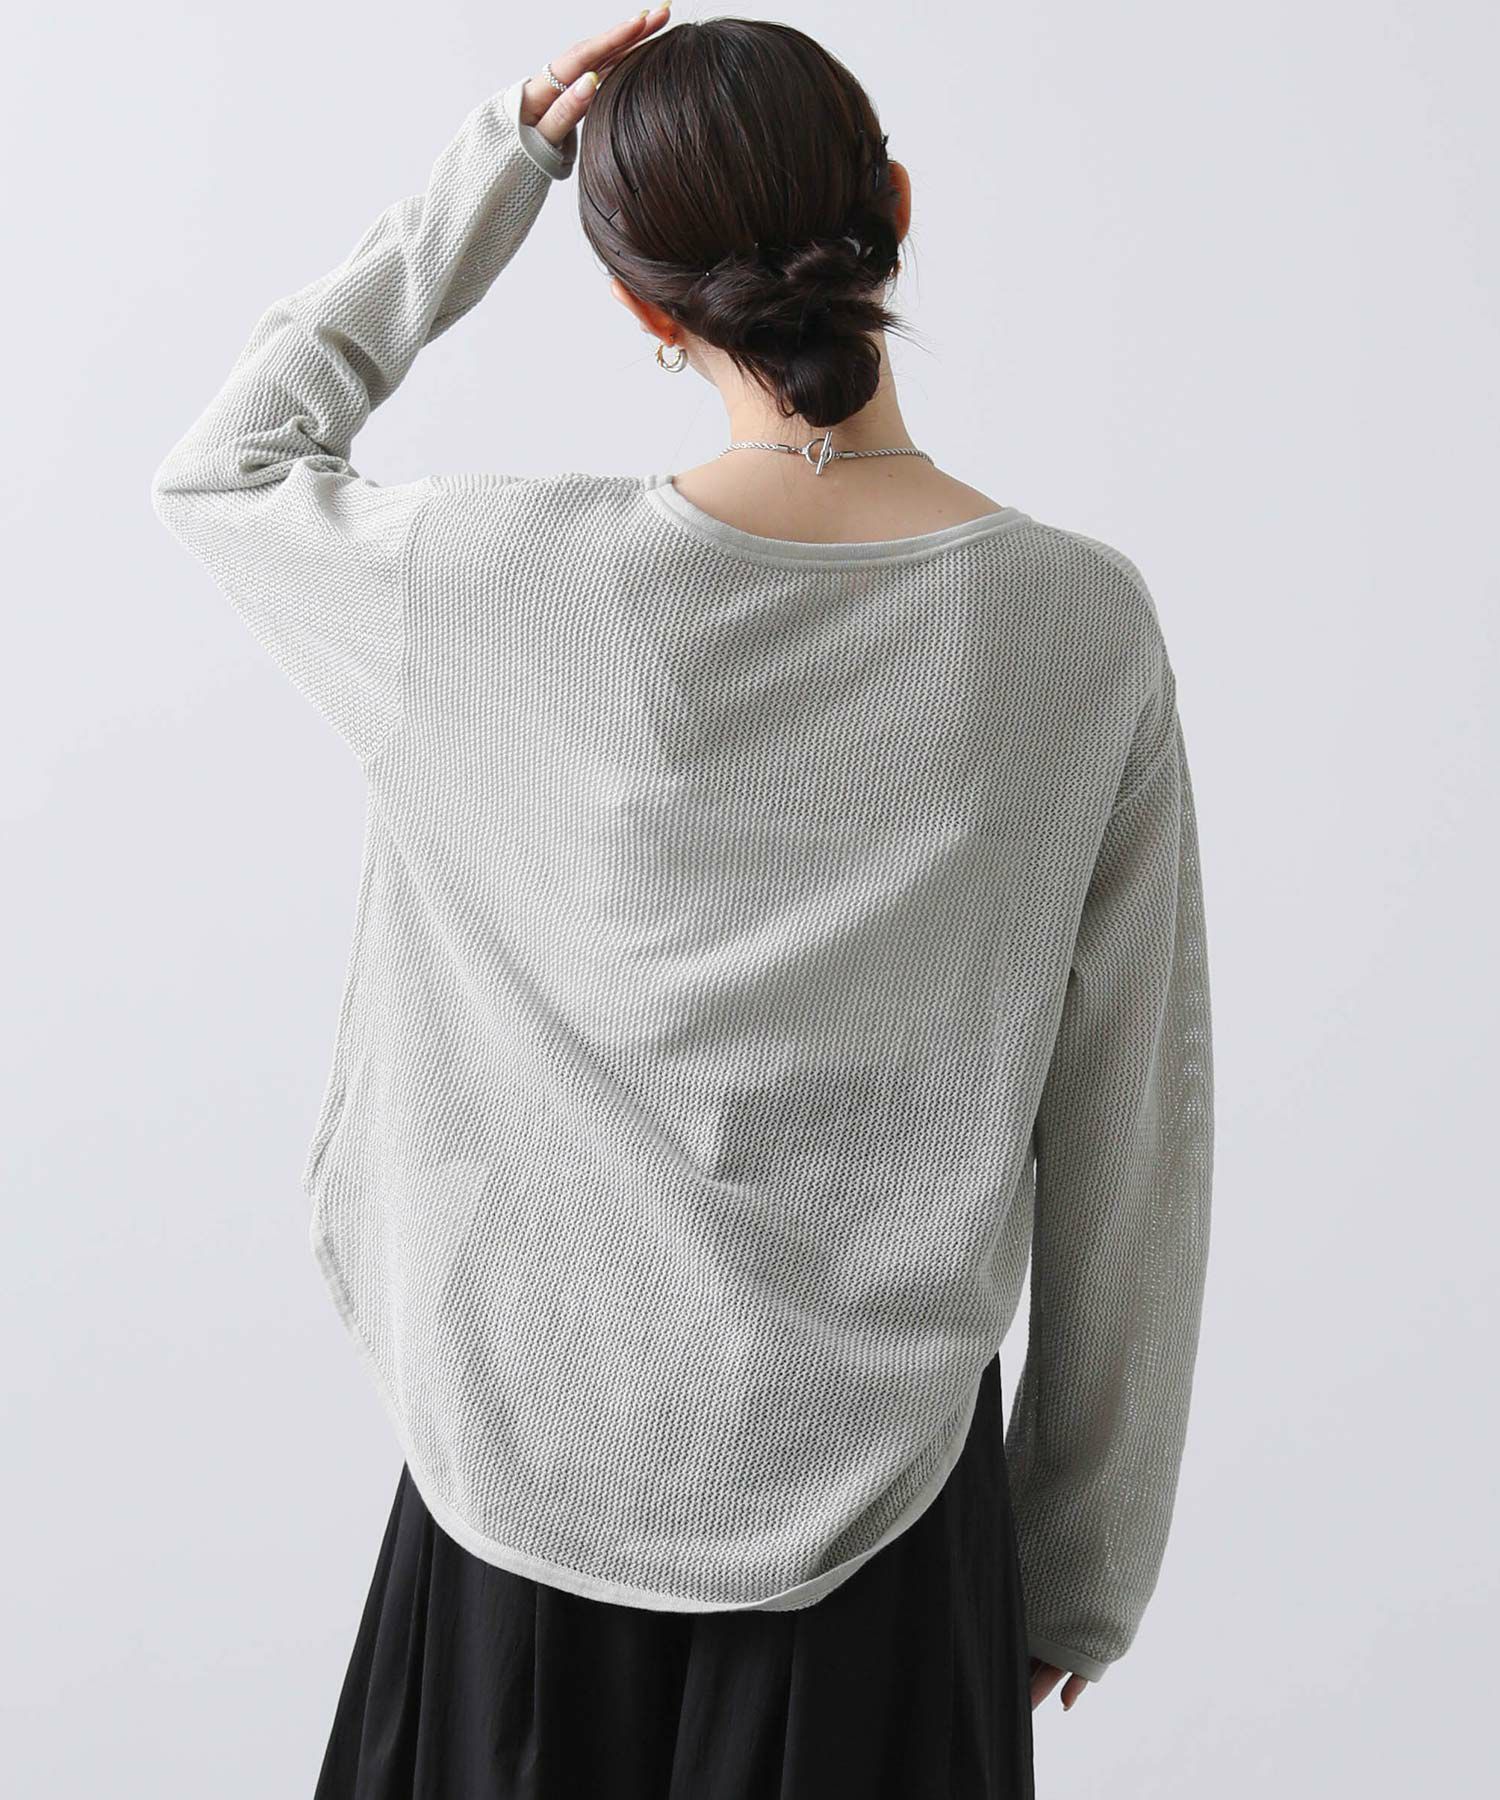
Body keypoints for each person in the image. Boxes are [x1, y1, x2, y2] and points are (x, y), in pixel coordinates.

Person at [149, 10, 1214, 1797]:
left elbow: (227, 465)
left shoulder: (486, 584)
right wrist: (1079, 1569)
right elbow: (1131, 1137)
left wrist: (502, 161)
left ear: (644, 308)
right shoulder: (1078, 627)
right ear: (893, 207)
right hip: (891, 1538)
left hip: (512, 1508)